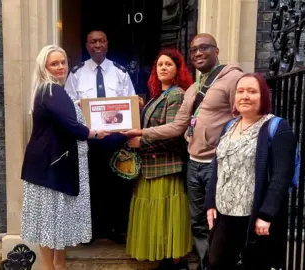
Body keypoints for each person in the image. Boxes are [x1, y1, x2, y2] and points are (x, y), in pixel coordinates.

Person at [124, 33, 244, 269]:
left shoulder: (233, 78)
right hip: (194, 162)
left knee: (217, 221)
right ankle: (204, 264)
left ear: (217, 50)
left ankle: (222, 264)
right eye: (194, 49)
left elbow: (243, 115)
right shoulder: (192, 90)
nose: (198, 53)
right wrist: (141, 133)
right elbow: (178, 127)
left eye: (204, 48)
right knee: (198, 223)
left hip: (217, 163)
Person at [20, 45, 111, 270]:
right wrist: (93, 133)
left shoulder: (47, 90)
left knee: (49, 223)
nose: (61, 67)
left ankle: (56, 267)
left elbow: (61, 115)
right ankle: (55, 268)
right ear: (44, 67)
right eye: (54, 63)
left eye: (63, 62)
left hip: (48, 166)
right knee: (52, 222)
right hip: (53, 167)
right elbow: (71, 125)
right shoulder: (53, 90)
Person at [205, 73, 296, 270]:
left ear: (263, 96)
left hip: (254, 216)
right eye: (240, 91)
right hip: (225, 213)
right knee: (216, 262)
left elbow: (281, 176)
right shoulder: (229, 126)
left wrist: (266, 215)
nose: (245, 96)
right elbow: (218, 166)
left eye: (252, 91)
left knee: (254, 265)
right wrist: (211, 202)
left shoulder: (278, 128)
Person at [64, 30, 136, 244]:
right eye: (93, 41)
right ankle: (91, 231)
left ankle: (116, 228)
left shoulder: (120, 72)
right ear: (86, 46)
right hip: (88, 140)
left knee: (116, 185)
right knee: (90, 185)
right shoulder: (76, 74)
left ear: (107, 44)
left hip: (115, 141)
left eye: (101, 41)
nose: (97, 45)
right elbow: (69, 105)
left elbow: (130, 103)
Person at [126, 48, 193, 270]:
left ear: (177, 69)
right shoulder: (158, 96)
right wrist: (140, 109)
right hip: (151, 166)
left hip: (166, 167)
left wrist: (141, 142)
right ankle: (165, 261)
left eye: (169, 64)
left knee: (165, 219)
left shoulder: (176, 94)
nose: (163, 68)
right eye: (160, 65)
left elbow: (174, 135)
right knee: (158, 218)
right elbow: (154, 126)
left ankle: (174, 263)